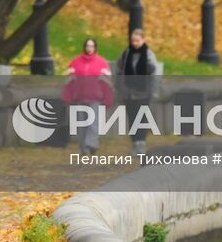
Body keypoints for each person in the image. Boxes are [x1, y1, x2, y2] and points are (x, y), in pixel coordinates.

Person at [63, 38, 113, 155]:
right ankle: (84, 149)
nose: (89, 48)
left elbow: (107, 83)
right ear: (84, 47)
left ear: (95, 48)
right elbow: (69, 81)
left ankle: (92, 143)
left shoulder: (102, 63)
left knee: (93, 123)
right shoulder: (75, 62)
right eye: (87, 46)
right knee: (81, 124)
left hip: (95, 98)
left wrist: (107, 98)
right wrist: (67, 97)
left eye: (92, 46)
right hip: (79, 98)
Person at [115, 29, 161, 157]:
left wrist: (154, 91)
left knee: (141, 118)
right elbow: (119, 71)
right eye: (133, 40)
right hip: (128, 92)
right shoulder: (126, 53)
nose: (135, 43)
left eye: (137, 40)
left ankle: (141, 143)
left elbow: (154, 75)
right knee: (132, 117)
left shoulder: (148, 55)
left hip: (143, 92)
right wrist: (118, 88)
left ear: (143, 40)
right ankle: (135, 142)